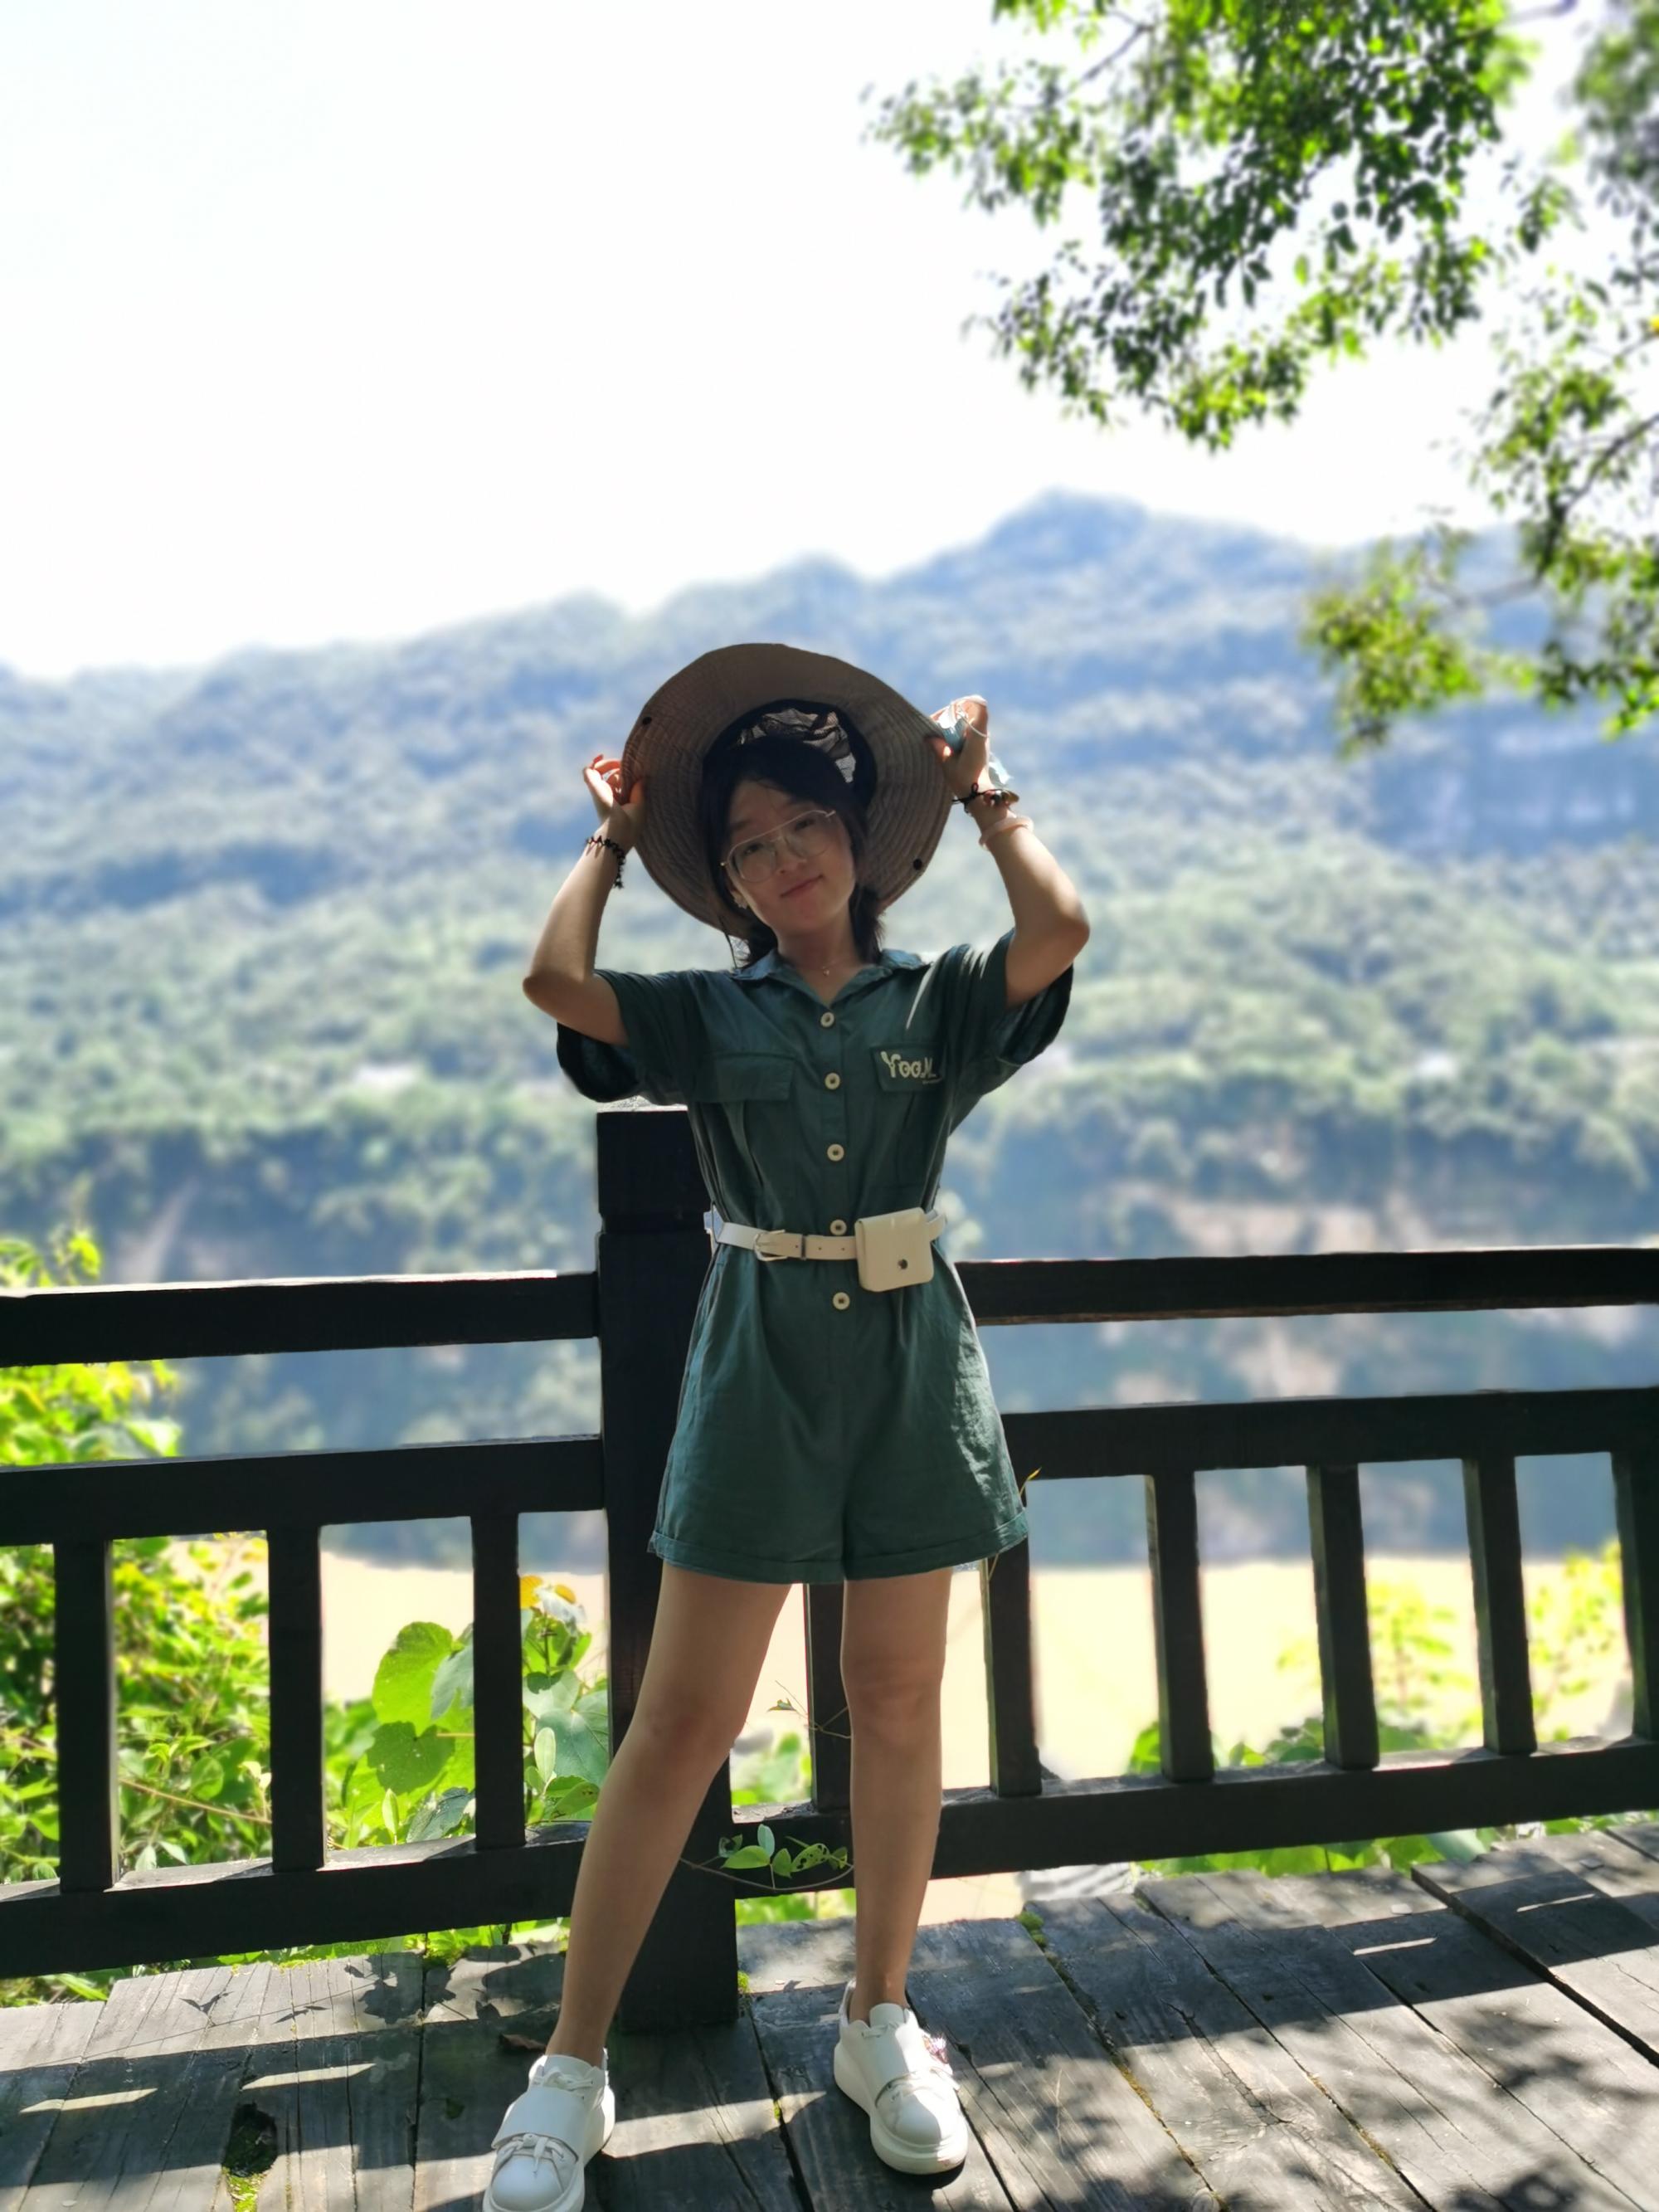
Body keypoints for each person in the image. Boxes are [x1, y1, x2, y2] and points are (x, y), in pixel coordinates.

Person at [485, 642, 1088, 2212]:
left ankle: (881, 2020)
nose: (781, 859)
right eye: (747, 846)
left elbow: (1060, 931)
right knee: (682, 1721)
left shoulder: (935, 1000)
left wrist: (989, 797)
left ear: (857, 836)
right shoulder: (707, 1012)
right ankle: (571, 2068)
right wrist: (613, 840)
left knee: (896, 1699)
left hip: (907, 1369)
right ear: (732, 884)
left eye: (803, 824)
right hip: (756, 1366)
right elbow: (556, 984)